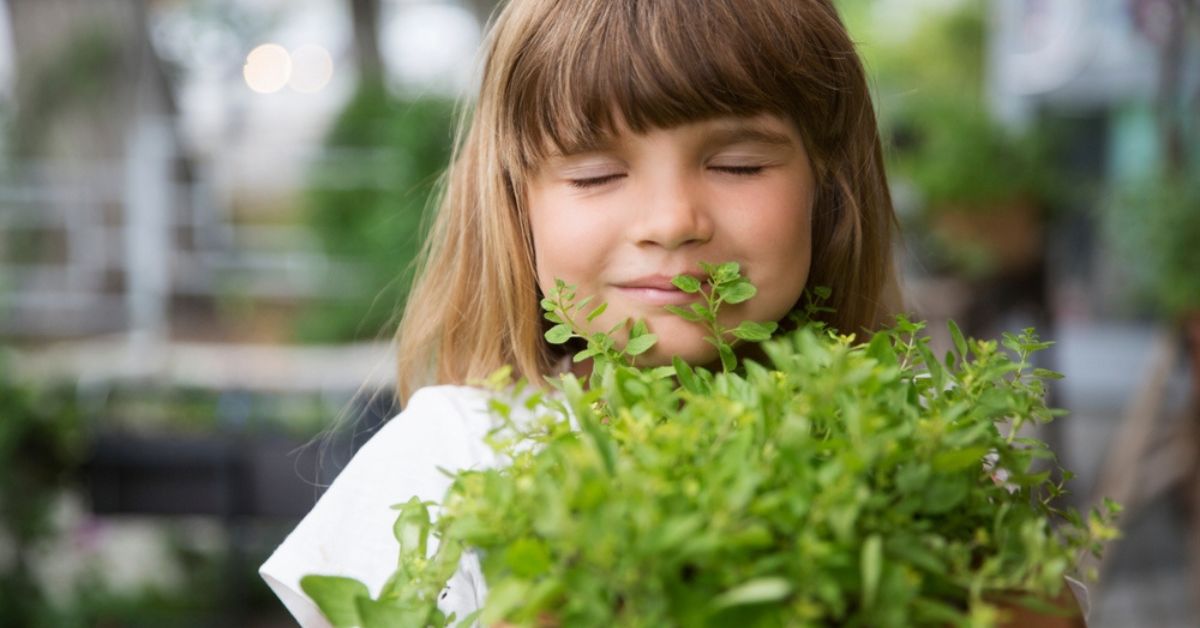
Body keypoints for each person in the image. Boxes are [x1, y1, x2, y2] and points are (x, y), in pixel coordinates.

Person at [260, 1, 1082, 626]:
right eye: (593, 175)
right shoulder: (445, 460)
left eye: (737, 163)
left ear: (828, 189)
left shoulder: (915, 448)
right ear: (518, 205)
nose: (670, 219)